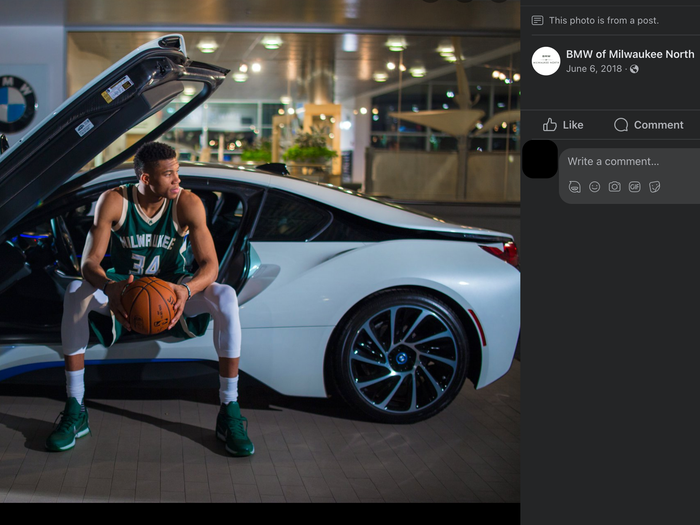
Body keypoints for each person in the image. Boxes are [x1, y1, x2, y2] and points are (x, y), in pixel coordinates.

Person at [46, 141, 254, 457]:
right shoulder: (114, 201)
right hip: (123, 289)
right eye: (168, 174)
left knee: (225, 295)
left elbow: (210, 266)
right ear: (145, 178)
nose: (177, 181)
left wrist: (185, 290)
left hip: (172, 291)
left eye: (177, 172)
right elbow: (89, 262)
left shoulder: (188, 203)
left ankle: (229, 409)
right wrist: (109, 287)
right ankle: (75, 408)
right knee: (76, 292)